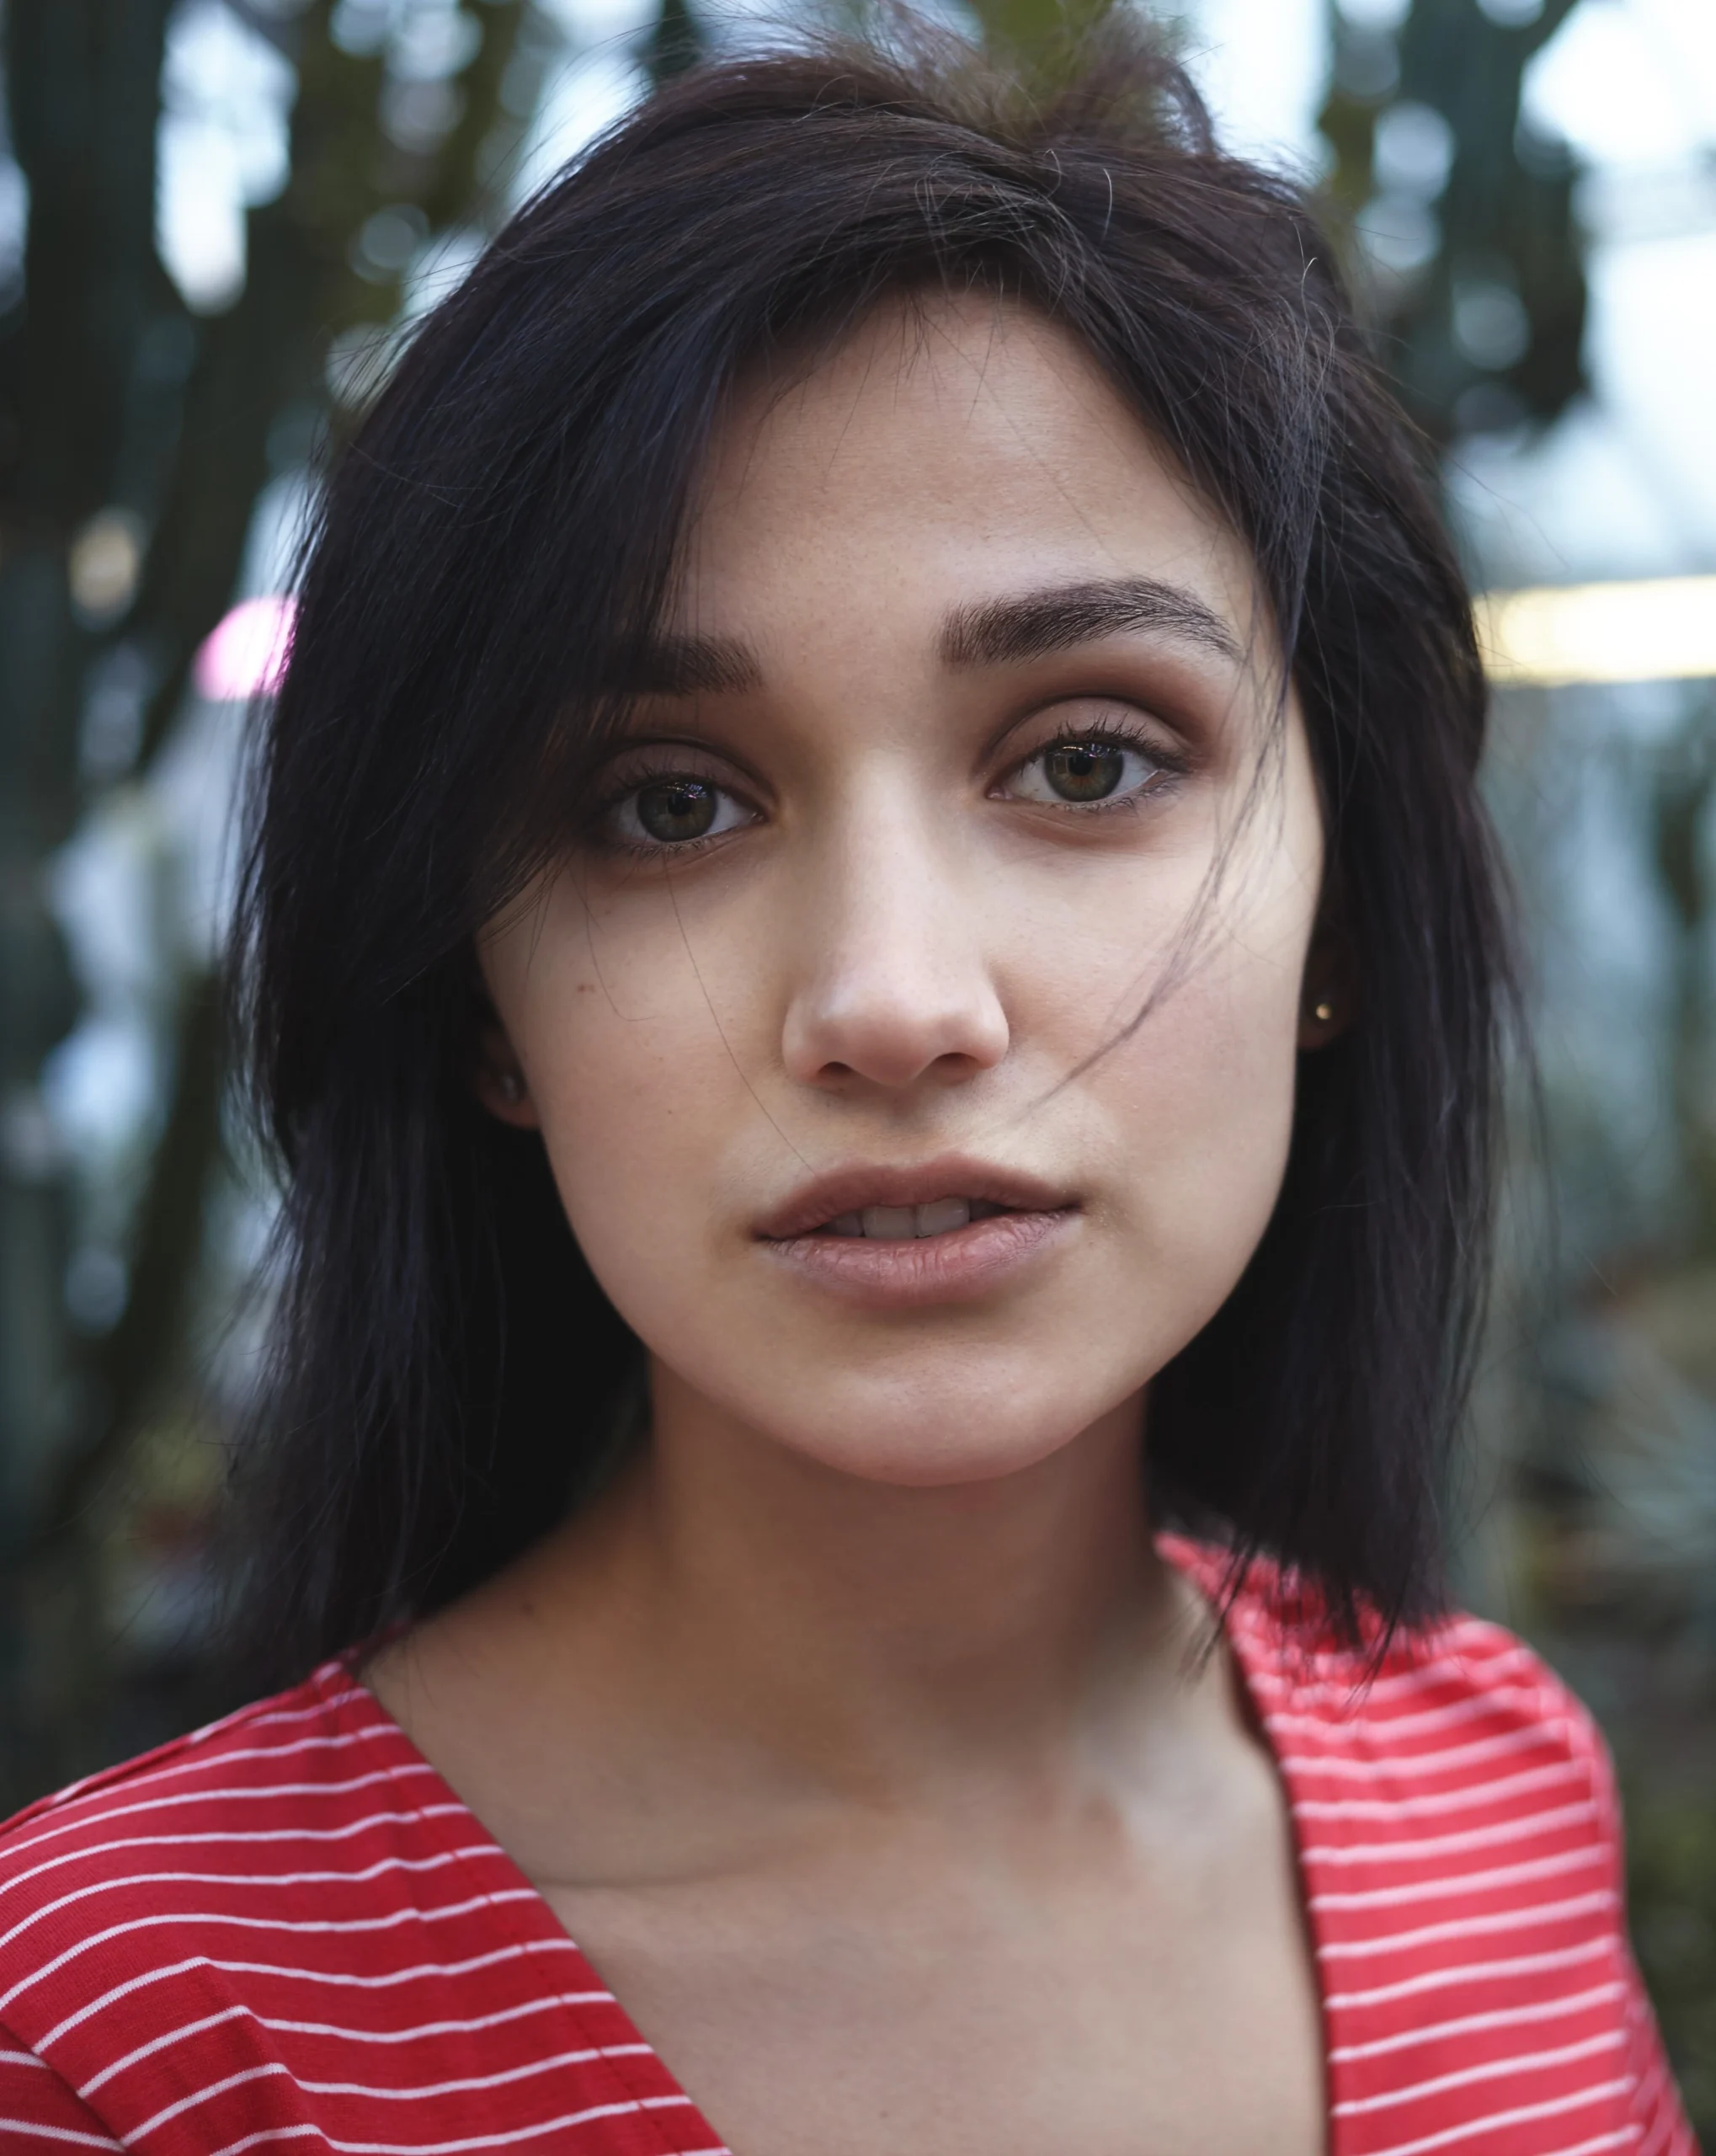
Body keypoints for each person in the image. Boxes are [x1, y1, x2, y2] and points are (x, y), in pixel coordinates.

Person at [0, 14, 1696, 2156]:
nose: (891, 1002)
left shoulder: (1492, 1792)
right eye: (664, 802)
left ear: (1339, 916)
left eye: (1085, 759)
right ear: (483, 1002)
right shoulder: (130, 2033)